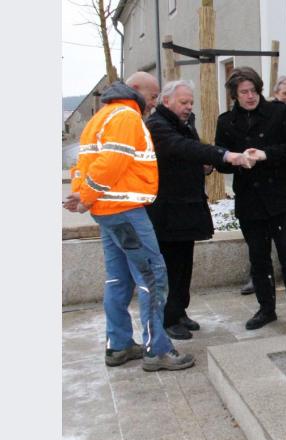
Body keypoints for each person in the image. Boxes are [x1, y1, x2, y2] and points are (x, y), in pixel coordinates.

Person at [64, 72, 194, 371]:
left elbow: (82, 164)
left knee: (118, 278)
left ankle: (119, 345)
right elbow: (111, 164)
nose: (154, 103)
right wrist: (86, 197)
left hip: (107, 212)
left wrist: (84, 196)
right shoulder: (126, 116)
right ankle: (157, 350)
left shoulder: (100, 117)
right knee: (153, 277)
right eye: (153, 96)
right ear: (135, 90)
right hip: (126, 211)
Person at [145, 80, 259, 340]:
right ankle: (168, 318)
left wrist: (204, 166)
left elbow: (188, 155)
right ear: (166, 101)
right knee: (171, 266)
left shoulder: (183, 123)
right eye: (183, 102)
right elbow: (182, 148)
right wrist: (224, 155)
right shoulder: (157, 125)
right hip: (167, 210)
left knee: (184, 264)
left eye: (191, 102)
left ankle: (179, 310)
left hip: (187, 207)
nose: (188, 107)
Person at [215, 66, 286, 334]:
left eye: (253, 91)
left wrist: (265, 154)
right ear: (235, 95)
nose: (250, 96)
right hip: (250, 201)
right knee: (258, 259)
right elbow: (220, 159)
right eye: (244, 92)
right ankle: (266, 309)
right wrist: (237, 160)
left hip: (282, 199)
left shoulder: (278, 113)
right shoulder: (226, 121)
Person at [239, 76, 286, 296]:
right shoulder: (266, 116)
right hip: (268, 187)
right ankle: (257, 278)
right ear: (276, 94)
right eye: (285, 94)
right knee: (259, 242)